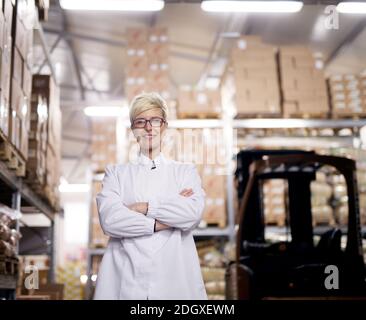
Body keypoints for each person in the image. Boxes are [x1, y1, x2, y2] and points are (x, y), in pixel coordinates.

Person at [94, 92, 207, 300]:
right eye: (140, 121)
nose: (148, 127)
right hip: (126, 280)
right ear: (133, 129)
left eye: (155, 120)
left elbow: (191, 214)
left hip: (174, 280)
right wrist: (165, 222)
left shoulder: (184, 172)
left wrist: (143, 208)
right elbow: (111, 221)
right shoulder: (116, 174)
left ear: (164, 126)